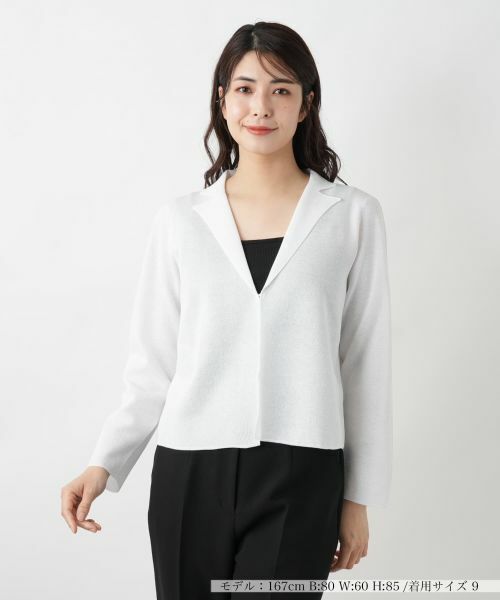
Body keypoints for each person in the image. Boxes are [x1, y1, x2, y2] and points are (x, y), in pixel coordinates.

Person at [61, 21, 392, 600]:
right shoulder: (180, 221)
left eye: (281, 89)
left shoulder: (353, 216)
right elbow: (153, 364)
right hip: (189, 472)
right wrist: (103, 464)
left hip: (302, 473)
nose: (261, 106)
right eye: (244, 88)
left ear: (306, 105)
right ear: (222, 99)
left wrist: (357, 497)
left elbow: (364, 363)